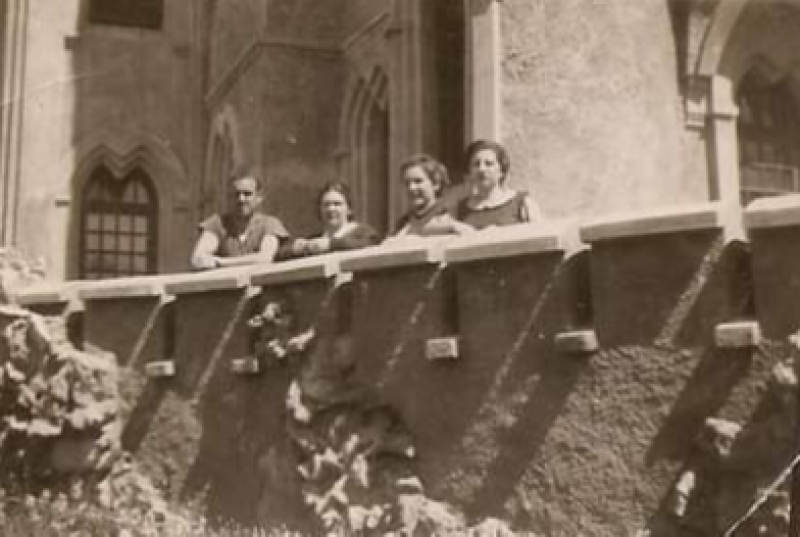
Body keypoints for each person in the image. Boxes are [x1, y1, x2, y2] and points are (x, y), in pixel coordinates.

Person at [191, 173, 289, 270]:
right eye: (236, 194)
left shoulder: (270, 224)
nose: (241, 199)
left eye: (247, 194)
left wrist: (220, 262)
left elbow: (265, 258)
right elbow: (198, 259)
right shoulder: (217, 223)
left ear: (259, 198)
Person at [456, 140, 542, 229]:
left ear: (501, 171)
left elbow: (539, 236)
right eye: (476, 164)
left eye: (489, 164)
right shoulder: (460, 210)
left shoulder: (522, 203)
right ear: (469, 172)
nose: (481, 169)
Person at [280, 181, 379, 258]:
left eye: (337, 204)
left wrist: (330, 244)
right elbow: (279, 254)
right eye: (326, 205)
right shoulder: (316, 238)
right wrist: (297, 249)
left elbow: (372, 243)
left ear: (349, 209)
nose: (331, 209)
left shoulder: (364, 233)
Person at [392, 154, 472, 237]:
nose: (411, 188)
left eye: (418, 181)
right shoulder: (402, 226)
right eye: (407, 183)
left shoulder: (452, 216)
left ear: (435, 184)